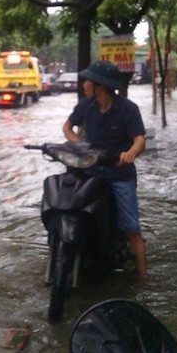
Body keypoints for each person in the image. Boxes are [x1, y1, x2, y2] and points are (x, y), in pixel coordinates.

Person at [62, 60, 148, 281]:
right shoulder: (86, 105)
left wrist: (130, 153)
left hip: (119, 173)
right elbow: (67, 127)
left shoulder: (128, 109)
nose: (84, 85)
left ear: (100, 86)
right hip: (90, 171)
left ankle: (143, 277)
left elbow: (139, 139)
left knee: (132, 230)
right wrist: (79, 144)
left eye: (88, 81)